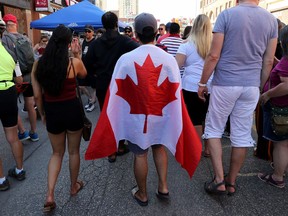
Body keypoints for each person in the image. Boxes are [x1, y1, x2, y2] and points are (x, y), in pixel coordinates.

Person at [85, 12, 202, 207]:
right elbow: (175, 93)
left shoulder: (125, 59)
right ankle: (163, 187)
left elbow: (116, 94)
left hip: (136, 117)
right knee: (159, 147)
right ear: (156, 32)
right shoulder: (168, 60)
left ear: (136, 35)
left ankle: (142, 193)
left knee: (139, 153)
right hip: (160, 115)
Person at [198, 0, 278, 195]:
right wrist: (260, 86)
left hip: (225, 82)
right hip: (250, 85)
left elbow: (214, 55)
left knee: (214, 129)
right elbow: (268, 60)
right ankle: (232, 182)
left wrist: (202, 83)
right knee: (242, 134)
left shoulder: (226, 15)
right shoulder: (271, 20)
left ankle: (218, 180)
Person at [31, 25, 87, 212]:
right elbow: (84, 75)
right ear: (68, 42)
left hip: (53, 111)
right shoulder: (73, 63)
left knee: (56, 153)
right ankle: (73, 186)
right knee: (73, 151)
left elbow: (37, 96)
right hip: (72, 110)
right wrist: (77, 55)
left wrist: (43, 114)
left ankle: (50, 194)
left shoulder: (39, 64)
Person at [84, 11, 139, 162]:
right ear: (116, 24)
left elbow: (86, 63)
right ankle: (120, 145)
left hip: (103, 84)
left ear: (103, 25)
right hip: (121, 85)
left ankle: (111, 150)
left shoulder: (96, 44)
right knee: (122, 115)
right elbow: (140, 53)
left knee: (107, 116)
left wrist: (94, 77)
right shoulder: (125, 41)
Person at [175, 14, 212, 158]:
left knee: (195, 119)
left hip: (191, 87)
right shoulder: (216, 45)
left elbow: (176, 66)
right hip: (211, 86)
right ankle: (209, 149)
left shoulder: (186, 45)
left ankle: (197, 149)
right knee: (210, 119)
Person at [258, 25, 288, 189]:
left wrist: (267, 94)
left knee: (281, 144)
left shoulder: (287, 61)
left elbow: (287, 85)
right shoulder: (284, 61)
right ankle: (280, 168)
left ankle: (277, 177)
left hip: (280, 109)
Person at [2, 13, 39, 142]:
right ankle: (34, 132)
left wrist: (17, 75)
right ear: (15, 24)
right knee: (30, 103)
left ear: (6, 25)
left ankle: (22, 131)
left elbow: (11, 60)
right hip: (29, 76)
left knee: (13, 106)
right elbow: (32, 57)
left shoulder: (5, 39)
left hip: (15, 79)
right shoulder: (26, 38)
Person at [0, 17, 26, 191]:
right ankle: (19, 169)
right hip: (9, 92)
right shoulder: (9, 52)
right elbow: (19, 78)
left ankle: (2, 180)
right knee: (12, 136)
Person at [80, 24, 97, 112]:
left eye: (89, 31)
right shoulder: (83, 41)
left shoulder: (95, 42)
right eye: (85, 31)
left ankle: (92, 103)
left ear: (93, 32)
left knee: (93, 86)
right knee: (81, 85)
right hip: (83, 66)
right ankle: (90, 99)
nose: (87, 33)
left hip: (92, 67)